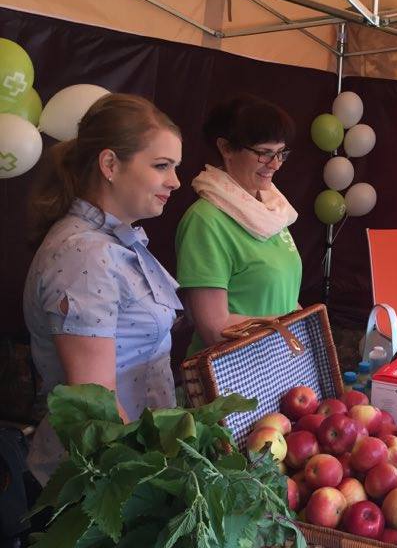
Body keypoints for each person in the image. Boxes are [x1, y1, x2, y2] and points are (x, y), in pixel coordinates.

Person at [23, 94, 183, 485]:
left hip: (126, 468)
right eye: (162, 166)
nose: (175, 181)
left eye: (175, 167)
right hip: (98, 486)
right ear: (110, 164)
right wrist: (157, 485)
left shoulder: (109, 241)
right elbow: (98, 408)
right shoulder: (85, 254)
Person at [175, 95, 301, 355]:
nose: (275, 164)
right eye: (264, 153)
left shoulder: (273, 211)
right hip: (231, 377)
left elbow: (285, 302)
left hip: (275, 363)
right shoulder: (206, 220)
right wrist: (290, 332)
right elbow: (215, 329)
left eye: (281, 153)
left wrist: (306, 330)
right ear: (226, 148)